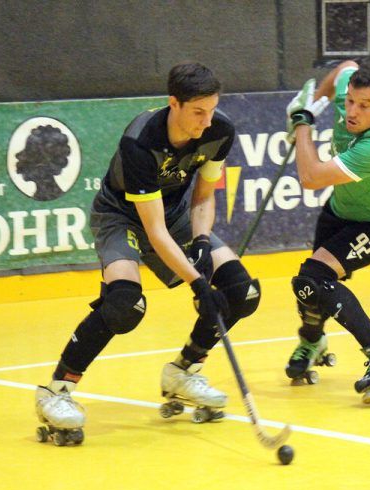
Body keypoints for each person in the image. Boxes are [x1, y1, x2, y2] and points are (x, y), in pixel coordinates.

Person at [35, 62, 262, 440]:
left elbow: (203, 198)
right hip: (121, 216)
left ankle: (184, 371)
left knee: (241, 292)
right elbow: (153, 232)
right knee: (124, 304)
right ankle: (56, 391)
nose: (206, 122)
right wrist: (197, 283)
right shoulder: (140, 143)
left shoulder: (219, 131)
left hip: (174, 214)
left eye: (210, 110)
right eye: (197, 112)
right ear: (173, 103)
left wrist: (203, 242)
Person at [283, 60, 370, 405]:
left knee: (315, 278)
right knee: (309, 283)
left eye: (364, 106)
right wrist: (315, 100)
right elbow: (345, 67)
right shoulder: (351, 87)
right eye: (349, 102)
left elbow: (311, 177)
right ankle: (312, 341)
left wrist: (303, 122)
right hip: (343, 208)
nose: (352, 112)